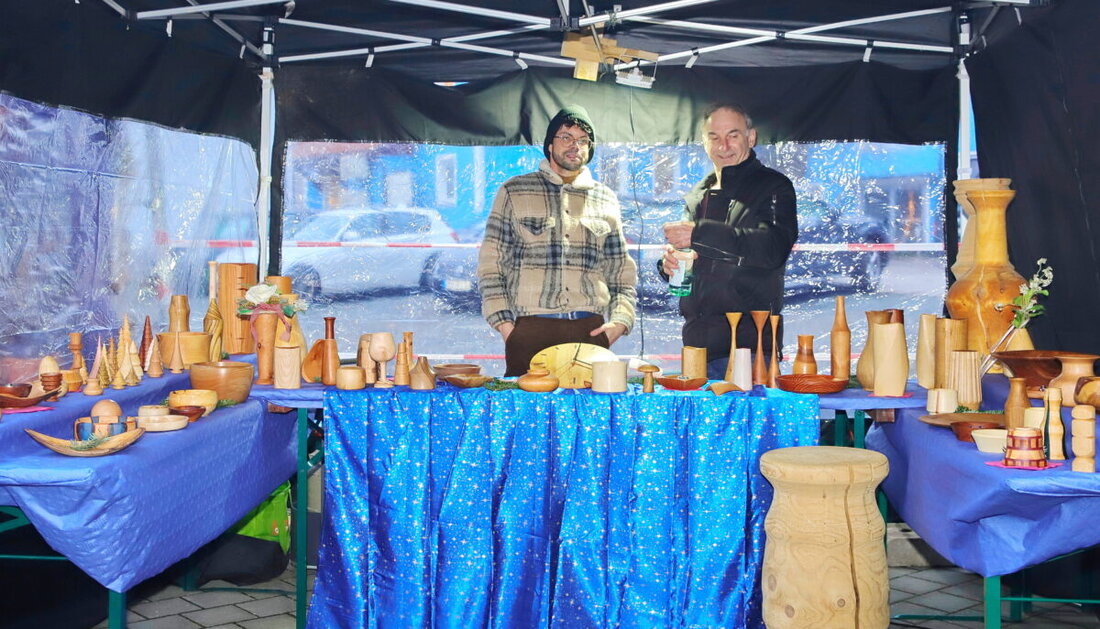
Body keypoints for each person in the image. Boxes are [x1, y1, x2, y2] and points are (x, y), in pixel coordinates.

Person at [478, 105, 638, 376]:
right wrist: (507, 328)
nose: (574, 145)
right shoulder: (514, 191)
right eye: (566, 137)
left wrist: (620, 322)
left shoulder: (605, 198)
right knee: (530, 417)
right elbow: (491, 266)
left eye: (583, 140)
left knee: (588, 418)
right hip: (530, 330)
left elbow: (621, 271)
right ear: (550, 145)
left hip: (590, 331)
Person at [661, 103, 798, 380]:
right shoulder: (698, 194)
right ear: (703, 142)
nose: (723, 145)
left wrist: (698, 233)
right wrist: (669, 265)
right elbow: (695, 259)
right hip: (697, 345)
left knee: (751, 424)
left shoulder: (774, 186)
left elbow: (773, 248)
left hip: (750, 347)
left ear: (751, 137)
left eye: (733, 135)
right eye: (714, 137)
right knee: (702, 425)